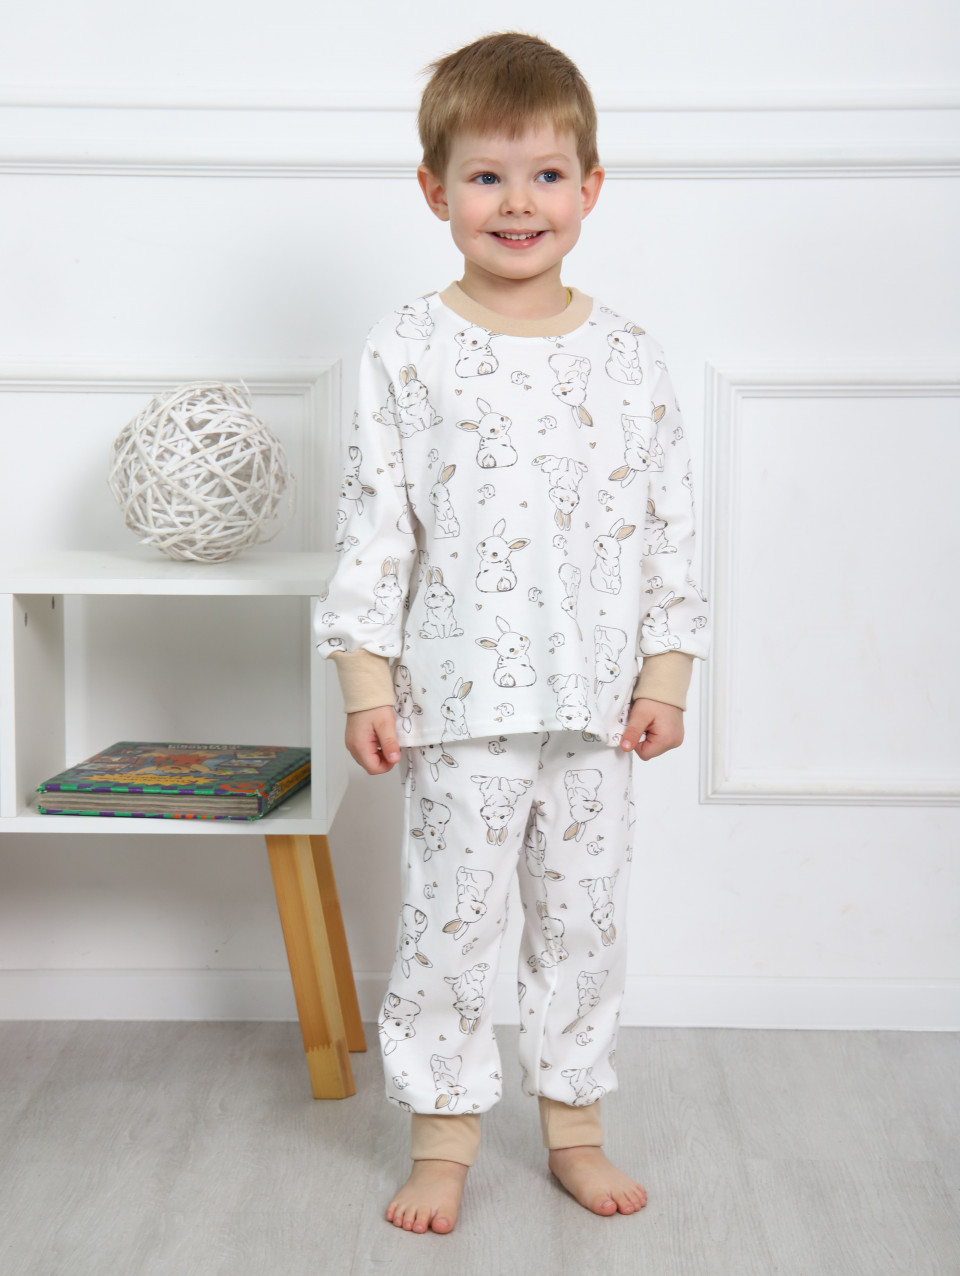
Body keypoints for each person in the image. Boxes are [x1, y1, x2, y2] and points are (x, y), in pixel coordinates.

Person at [314, 31, 710, 1234]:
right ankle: (442, 1140)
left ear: (591, 187)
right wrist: (365, 680)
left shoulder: (629, 357)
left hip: (596, 710)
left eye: (546, 176)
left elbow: (668, 527)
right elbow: (377, 527)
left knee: (583, 923)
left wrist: (667, 673)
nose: (519, 202)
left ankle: (576, 1128)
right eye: (487, 176)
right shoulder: (407, 348)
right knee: (450, 927)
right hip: (456, 706)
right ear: (435, 191)